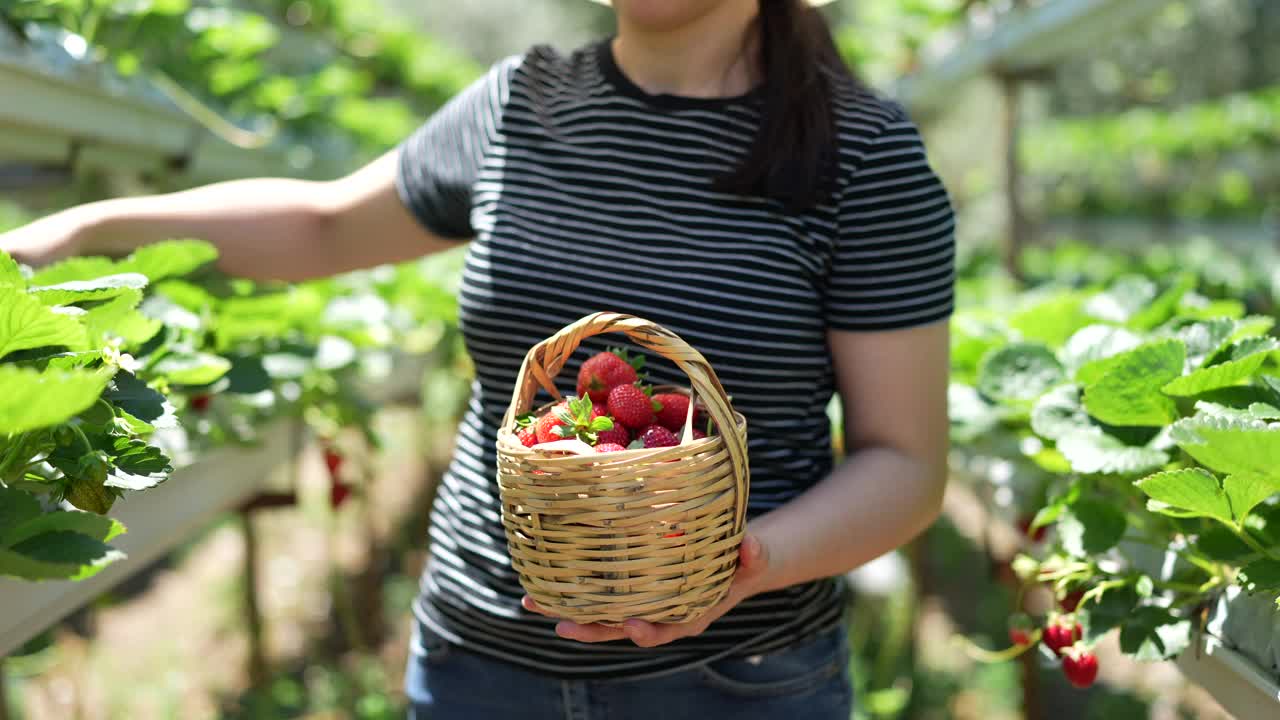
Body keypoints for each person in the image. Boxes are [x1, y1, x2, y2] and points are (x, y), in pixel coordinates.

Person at [2, 0, 955, 717]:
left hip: (735, 679)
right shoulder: (520, 100)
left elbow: (904, 465)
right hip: (475, 658)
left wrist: (740, 563)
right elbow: (326, 225)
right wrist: (92, 229)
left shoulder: (859, 152)